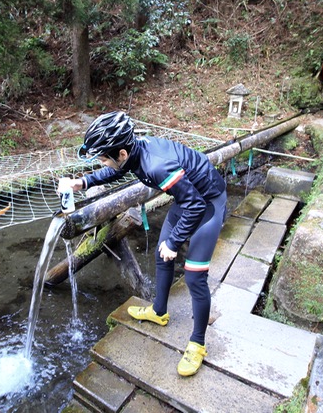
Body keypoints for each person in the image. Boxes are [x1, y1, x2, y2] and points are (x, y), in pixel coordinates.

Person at [60, 111, 227, 377]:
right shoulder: (134, 151)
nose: (103, 162)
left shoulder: (156, 166)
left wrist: (175, 241)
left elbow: (195, 204)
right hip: (188, 200)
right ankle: (159, 311)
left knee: (195, 277)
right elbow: (117, 171)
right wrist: (84, 182)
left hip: (207, 204)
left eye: (104, 157)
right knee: (163, 256)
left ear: (122, 153)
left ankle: (197, 343)